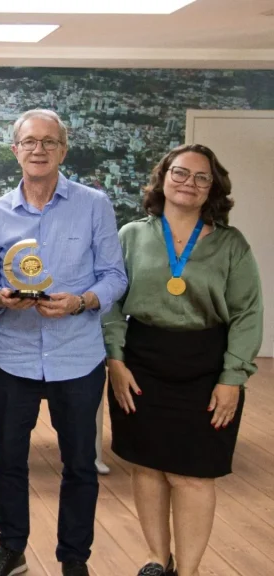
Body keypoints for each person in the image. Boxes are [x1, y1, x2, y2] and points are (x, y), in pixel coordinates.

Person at [0, 109, 127, 576]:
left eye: (48, 142)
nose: (38, 149)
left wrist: (81, 302)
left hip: (77, 356)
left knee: (80, 462)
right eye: (29, 142)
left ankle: (74, 557)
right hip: (15, 355)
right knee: (8, 460)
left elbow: (115, 276)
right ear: (15, 149)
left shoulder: (94, 204)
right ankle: (11, 549)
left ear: (63, 149)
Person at [103, 144, 263, 576]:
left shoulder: (232, 244)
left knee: (193, 473)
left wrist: (233, 377)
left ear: (214, 188)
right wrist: (115, 360)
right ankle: (158, 559)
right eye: (180, 173)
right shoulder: (131, 235)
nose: (188, 183)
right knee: (148, 467)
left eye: (201, 177)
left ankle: (188, 571)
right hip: (141, 361)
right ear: (163, 178)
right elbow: (112, 304)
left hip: (207, 365)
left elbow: (249, 314)